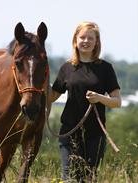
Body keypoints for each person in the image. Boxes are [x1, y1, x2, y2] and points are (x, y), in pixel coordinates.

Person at [49, 21, 121, 182]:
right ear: (75, 40)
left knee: (89, 178)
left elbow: (117, 102)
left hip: (95, 134)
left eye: (90, 38)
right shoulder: (67, 67)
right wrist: (40, 84)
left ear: (97, 42)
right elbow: (52, 96)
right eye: (82, 37)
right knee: (69, 178)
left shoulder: (105, 68)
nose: (86, 41)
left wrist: (99, 98)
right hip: (69, 131)